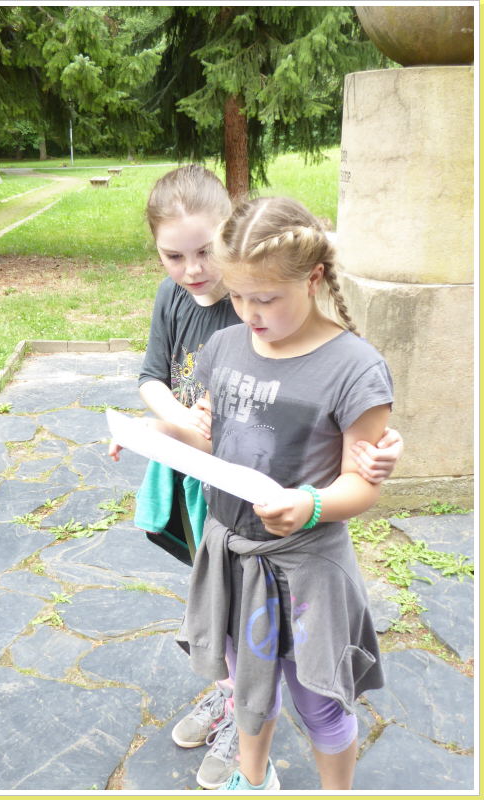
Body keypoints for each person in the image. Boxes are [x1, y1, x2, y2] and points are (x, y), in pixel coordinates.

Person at [128, 167, 403, 789]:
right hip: (230, 559)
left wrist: (309, 505)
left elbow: (363, 483)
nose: (249, 312)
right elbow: (212, 440)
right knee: (250, 690)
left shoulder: (355, 369)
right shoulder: (225, 347)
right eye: (239, 296)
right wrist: (153, 433)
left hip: (307, 569)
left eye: (267, 298)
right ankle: (252, 782)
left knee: (319, 701)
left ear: (313, 278)